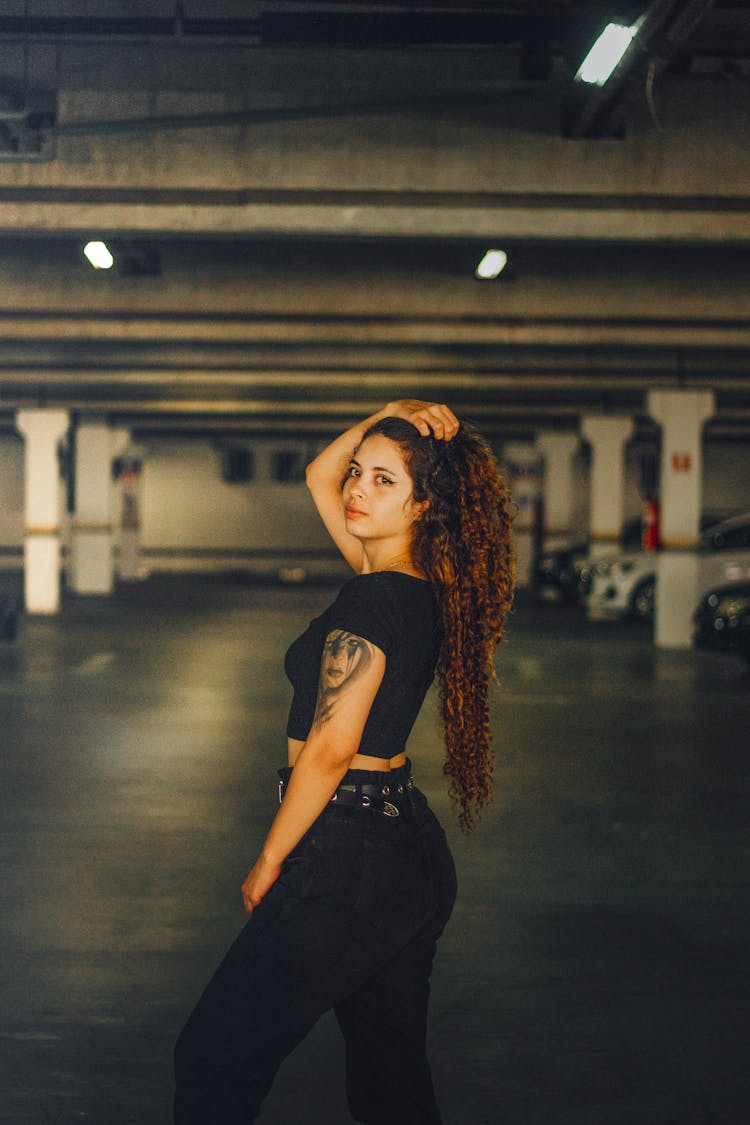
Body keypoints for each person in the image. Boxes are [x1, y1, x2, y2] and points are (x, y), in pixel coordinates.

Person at [174, 399, 515, 1125]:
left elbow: (331, 748)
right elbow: (316, 474)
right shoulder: (421, 587)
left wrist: (272, 856)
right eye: (361, 472)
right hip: (407, 856)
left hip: (350, 856)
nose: (356, 487)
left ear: (425, 504)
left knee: (213, 1055)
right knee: (392, 1086)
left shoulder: (371, 598)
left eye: (384, 481)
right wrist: (389, 413)